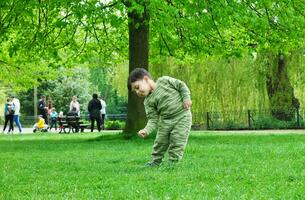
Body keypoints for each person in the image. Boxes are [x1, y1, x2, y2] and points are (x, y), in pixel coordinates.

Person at [127, 68, 192, 167]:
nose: (137, 92)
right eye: (135, 91)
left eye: (137, 87)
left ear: (146, 79)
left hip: (182, 116)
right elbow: (153, 119)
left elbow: (181, 85)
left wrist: (186, 98)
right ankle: (155, 162)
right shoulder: (148, 102)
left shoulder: (164, 80)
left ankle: (173, 163)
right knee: (160, 142)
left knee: (177, 140)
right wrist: (146, 130)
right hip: (165, 121)